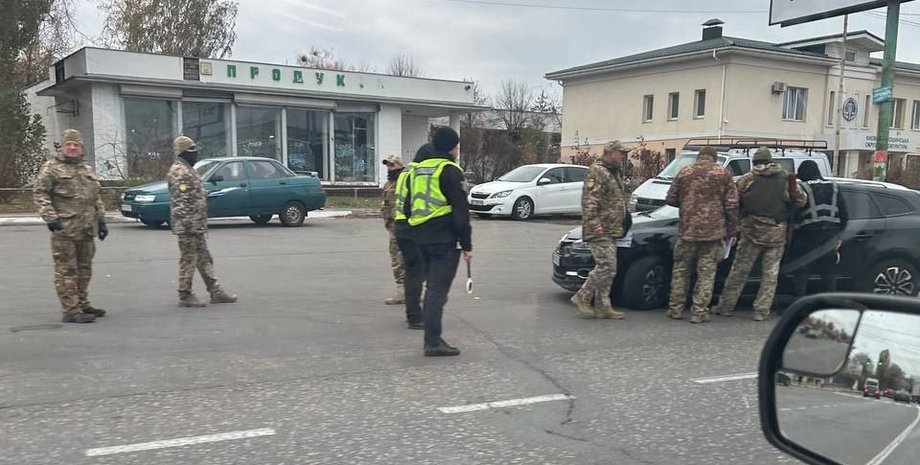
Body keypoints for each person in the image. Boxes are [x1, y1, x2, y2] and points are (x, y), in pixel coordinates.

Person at [713, 147, 807, 321]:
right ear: (771, 161)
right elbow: (801, 200)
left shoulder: (747, 178)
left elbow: (733, 201)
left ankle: (725, 306)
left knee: (739, 271)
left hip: (751, 231)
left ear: (754, 162)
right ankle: (761, 311)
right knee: (770, 274)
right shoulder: (786, 178)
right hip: (776, 232)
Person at [405, 127, 472, 356]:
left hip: (419, 236)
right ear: (452, 147)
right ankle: (433, 342)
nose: (457, 150)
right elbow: (461, 210)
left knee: (431, 287)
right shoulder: (450, 170)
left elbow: (408, 206)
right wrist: (467, 245)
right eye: (457, 146)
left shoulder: (418, 170)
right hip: (443, 238)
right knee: (437, 290)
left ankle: (432, 338)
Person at [33, 129, 109, 323]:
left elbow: (95, 197)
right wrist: (50, 217)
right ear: (62, 147)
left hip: (87, 229)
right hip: (65, 229)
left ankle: (82, 303)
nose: (72, 148)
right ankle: (71, 310)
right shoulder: (51, 167)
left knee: (85, 270)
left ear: (81, 148)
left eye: (76, 145)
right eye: (69, 144)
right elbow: (40, 193)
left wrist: (101, 221)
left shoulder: (86, 168)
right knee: (66, 270)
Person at [665, 146, 739, 324]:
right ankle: (699, 312)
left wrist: (688, 204)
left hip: (687, 231)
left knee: (681, 270)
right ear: (714, 158)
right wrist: (732, 230)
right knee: (706, 273)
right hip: (713, 233)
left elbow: (670, 198)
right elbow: (731, 204)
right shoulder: (723, 173)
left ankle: (675, 308)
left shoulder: (685, 172)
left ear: (699, 157)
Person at [167, 136, 237, 308]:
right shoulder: (180, 171)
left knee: (204, 258)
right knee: (189, 259)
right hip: (188, 225)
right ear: (183, 152)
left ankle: (215, 291)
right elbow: (181, 201)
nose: (195, 153)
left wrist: (204, 195)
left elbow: (191, 193)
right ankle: (185, 294)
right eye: (192, 150)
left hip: (196, 224)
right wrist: (189, 224)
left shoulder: (188, 169)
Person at [570, 141, 629, 319]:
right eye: (620, 152)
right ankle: (582, 296)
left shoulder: (613, 172)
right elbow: (590, 200)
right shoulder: (597, 171)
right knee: (606, 265)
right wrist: (594, 223)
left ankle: (603, 306)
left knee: (610, 269)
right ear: (610, 152)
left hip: (611, 228)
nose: (623, 156)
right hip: (599, 228)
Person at [788, 160, 848, 297]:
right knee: (828, 273)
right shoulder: (834, 187)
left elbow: (794, 213)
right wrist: (838, 237)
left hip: (807, 236)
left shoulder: (802, 187)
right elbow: (844, 214)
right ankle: (830, 303)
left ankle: (800, 303)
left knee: (802, 273)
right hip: (830, 236)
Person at [395, 144, 435, 330]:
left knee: (414, 271)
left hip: (401, 226)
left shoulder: (404, 173)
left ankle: (413, 314)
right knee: (417, 273)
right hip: (412, 226)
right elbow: (412, 204)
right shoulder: (418, 174)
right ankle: (415, 317)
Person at [381, 155, 406, 305]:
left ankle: (407, 291)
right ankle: (403, 290)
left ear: (400, 166)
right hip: (393, 226)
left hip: (404, 225)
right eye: (388, 166)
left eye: (392, 165)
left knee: (403, 259)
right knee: (396, 258)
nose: (389, 168)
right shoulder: (388, 184)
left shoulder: (405, 181)